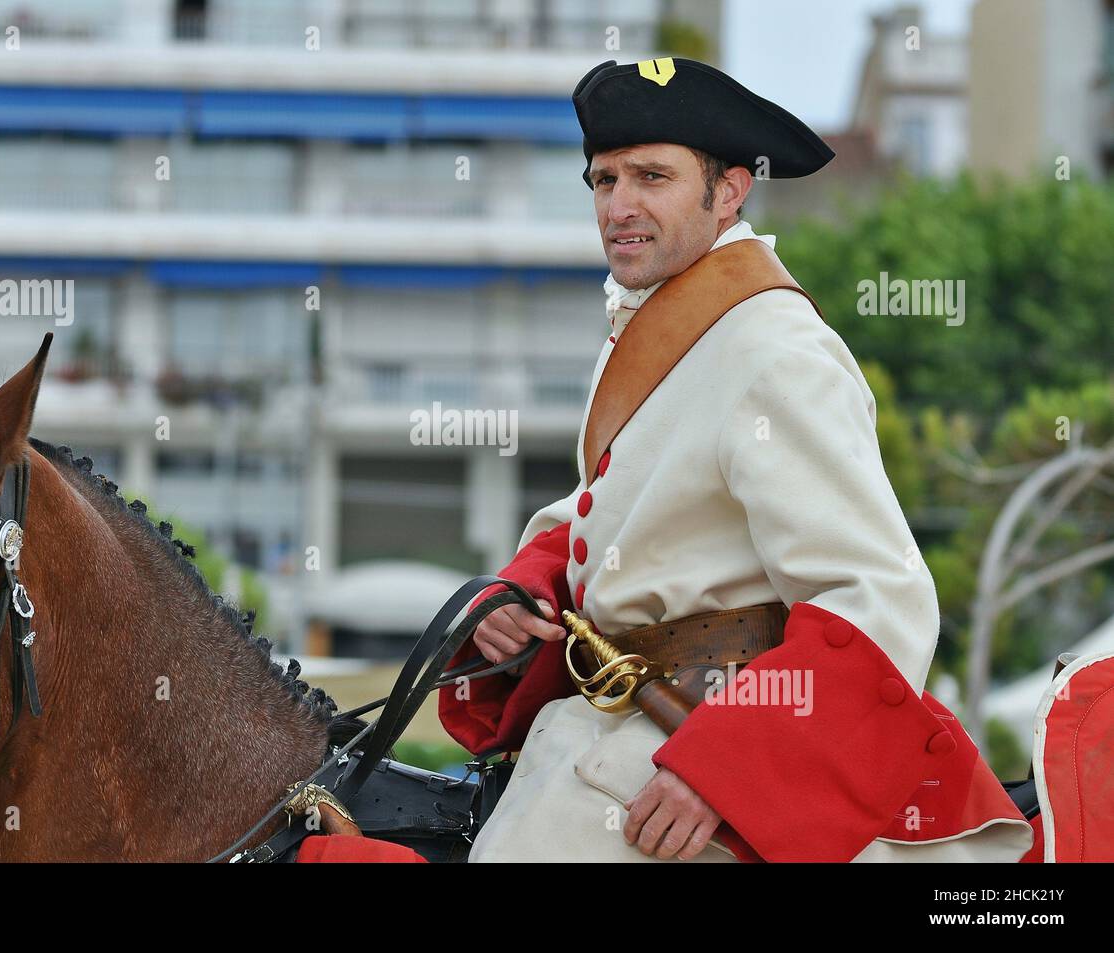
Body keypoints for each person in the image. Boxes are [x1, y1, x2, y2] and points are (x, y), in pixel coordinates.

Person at [439, 57, 1033, 862]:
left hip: (689, 752)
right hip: (611, 735)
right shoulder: (662, 322)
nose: (620, 206)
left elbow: (878, 595)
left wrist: (725, 768)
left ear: (728, 193)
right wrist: (524, 590)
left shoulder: (774, 348)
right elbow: (606, 511)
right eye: (604, 180)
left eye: (653, 176)